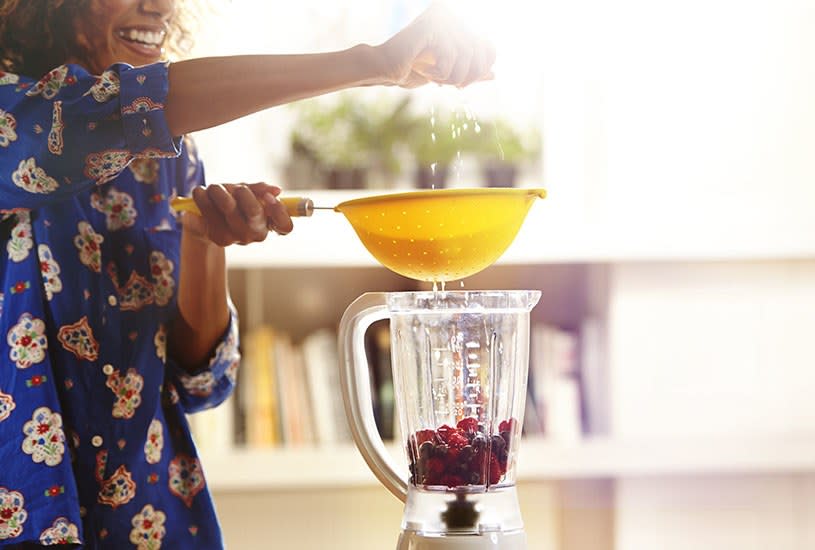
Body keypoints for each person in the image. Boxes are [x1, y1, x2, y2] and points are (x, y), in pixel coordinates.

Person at [0, 0, 495, 547]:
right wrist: (373, 62)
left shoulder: (168, 158)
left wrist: (204, 241)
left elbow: (198, 379)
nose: (160, 6)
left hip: (147, 524)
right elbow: (118, 109)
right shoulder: (15, 116)